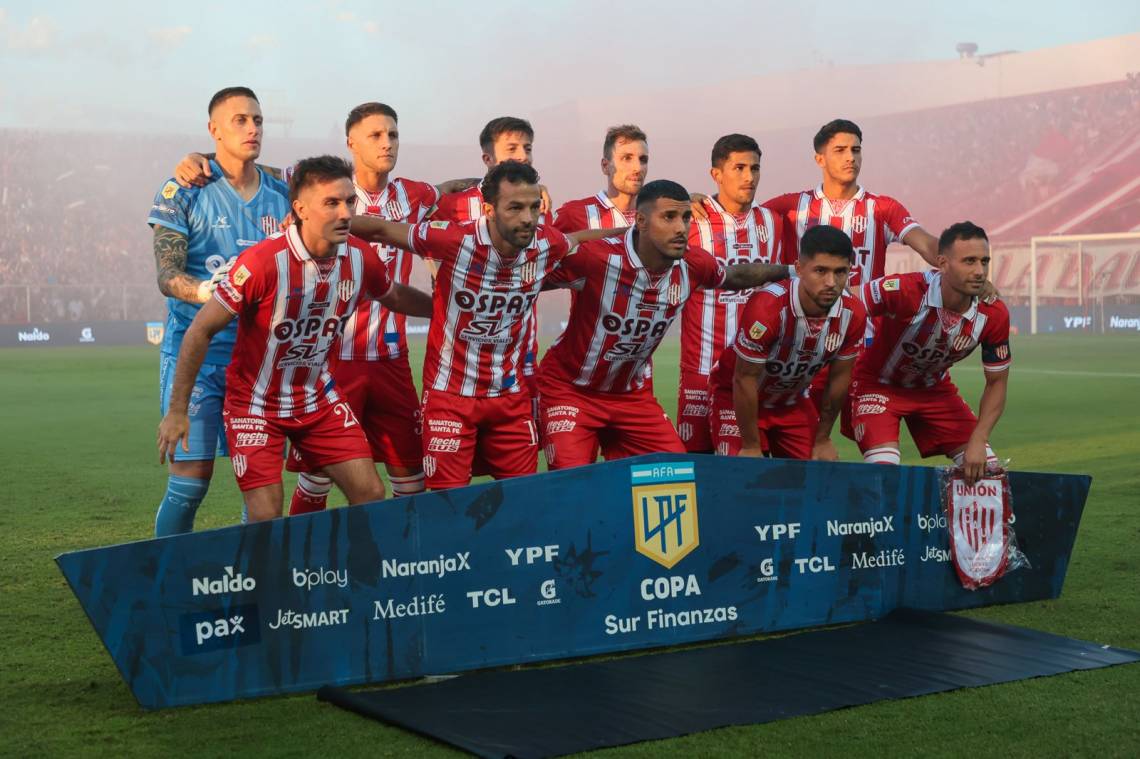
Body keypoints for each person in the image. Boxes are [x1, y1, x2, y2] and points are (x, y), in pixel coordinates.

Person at [156, 156, 433, 521]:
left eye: (350, 202)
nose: (346, 213)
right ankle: (261, 577)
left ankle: (347, 575)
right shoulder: (262, 262)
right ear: (301, 209)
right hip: (255, 406)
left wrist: (443, 312)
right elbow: (200, 330)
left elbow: (394, 295)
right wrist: (177, 411)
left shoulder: (359, 257)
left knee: (370, 492)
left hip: (316, 399)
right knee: (266, 514)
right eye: (331, 203)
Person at [348, 161, 606, 489]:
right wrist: (315, 222)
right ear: (489, 210)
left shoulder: (546, 243)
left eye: (532, 208)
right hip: (450, 398)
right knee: (447, 506)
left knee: (523, 501)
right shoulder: (453, 240)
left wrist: (638, 233)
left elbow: (581, 238)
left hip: (510, 400)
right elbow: (382, 230)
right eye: (515, 208)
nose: (527, 218)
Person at [537, 180, 792, 470]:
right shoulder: (597, 259)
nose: (682, 228)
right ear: (641, 222)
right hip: (571, 391)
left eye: (685, 217)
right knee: (573, 486)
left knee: (677, 478)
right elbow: (530, 278)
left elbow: (734, 276)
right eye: (669, 217)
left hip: (631, 398)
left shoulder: (692, 265)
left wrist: (793, 271)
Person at [147, 86, 290, 536]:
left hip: (258, 362)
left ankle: (254, 582)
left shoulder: (284, 193)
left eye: (258, 120)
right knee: (191, 483)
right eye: (240, 120)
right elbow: (167, 274)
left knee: (260, 488)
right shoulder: (183, 189)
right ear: (214, 130)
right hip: (198, 356)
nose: (252, 128)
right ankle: (166, 579)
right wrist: (211, 292)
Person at [287, 102, 438, 515]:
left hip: (391, 360)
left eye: (392, 134)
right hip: (334, 360)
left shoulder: (415, 195)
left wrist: (495, 177)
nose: (386, 143)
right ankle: (300, 565)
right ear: (351, 142)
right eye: (375, 135)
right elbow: (261, 175)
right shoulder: (327, 190)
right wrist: (202, 159)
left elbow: (462, 192)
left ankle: (407, 569)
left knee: (411, 476)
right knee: (317, 474)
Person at [847, 222, 1011, 485]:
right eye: (969, 261)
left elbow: (997, 383)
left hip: (934, 391)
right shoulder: (905, 291)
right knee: (884, 475)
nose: (980, 271)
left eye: (984, 261)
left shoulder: (994, 314)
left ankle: (957, 526)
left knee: (987, 475)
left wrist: (978, 440)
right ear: (943, 263)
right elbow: (845, 299)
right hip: (878, 386)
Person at [707, 225, 865, 460]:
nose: (831, 282)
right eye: (820, 271)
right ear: (799, 269)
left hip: (791, 402)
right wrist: (751, 446)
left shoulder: (854, 313)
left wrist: (822, 438)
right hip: (735, 397)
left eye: (840, 272)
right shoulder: (767, 307)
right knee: (744, 476)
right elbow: (744, 379)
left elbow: (839, 380)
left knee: (816, 479)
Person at [432, 116, 551, 418]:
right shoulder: (454, 205)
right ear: (488, 158)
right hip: (457, 367)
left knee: (523, 460)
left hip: (519, 358)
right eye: (512, 148)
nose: (523, 155)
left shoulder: (538, 207)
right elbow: (418, 234)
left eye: (528, 147)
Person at [678, 134, 785, 453]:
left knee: (744, 465)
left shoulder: (773, 221)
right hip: (700, 369)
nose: (749, 177)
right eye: (738, 167)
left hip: (750, 372)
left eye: (755, 168)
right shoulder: (692, 217)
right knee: (695, 465)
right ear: (716, 174)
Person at [553, 124, 647, 232]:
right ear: (605, 166)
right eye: (627, 158)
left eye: (643, 159)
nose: (638, 167)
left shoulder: (655, 216)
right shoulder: (572, 214)